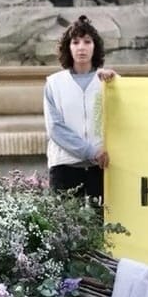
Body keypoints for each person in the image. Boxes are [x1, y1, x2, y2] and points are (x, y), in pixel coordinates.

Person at [44, 15, 117, 205]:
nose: (81, 47)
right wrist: (89, 151)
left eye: (87, 42)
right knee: (65, 229)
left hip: (101, 166)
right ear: (68, 47)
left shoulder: (108, 82)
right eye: (75, 42)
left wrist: (117, 84)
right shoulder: (54, 83)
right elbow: (55, 128)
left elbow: (122, 117)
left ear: (95, 46)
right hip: (65, 165)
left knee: (102, 227)